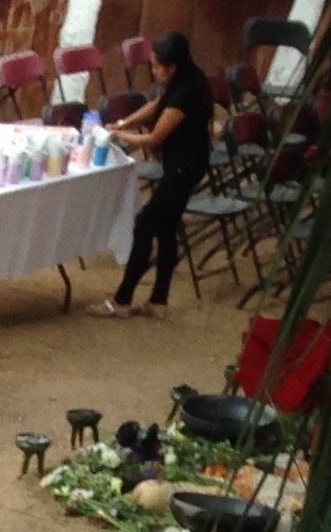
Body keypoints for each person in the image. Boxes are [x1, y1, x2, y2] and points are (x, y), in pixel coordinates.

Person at [93, 33, 216, 319]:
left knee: (144, 225)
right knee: (166, 228)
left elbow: (153, 139)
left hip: (183, 169)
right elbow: (157, 105)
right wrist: (124, 122)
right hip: (187, 164)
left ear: (172, 67)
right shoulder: (187, 79)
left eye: (157, 66)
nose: (153, 71)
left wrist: (119, 135)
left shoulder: (186, 92)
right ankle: (158, 300)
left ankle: (122, 300)